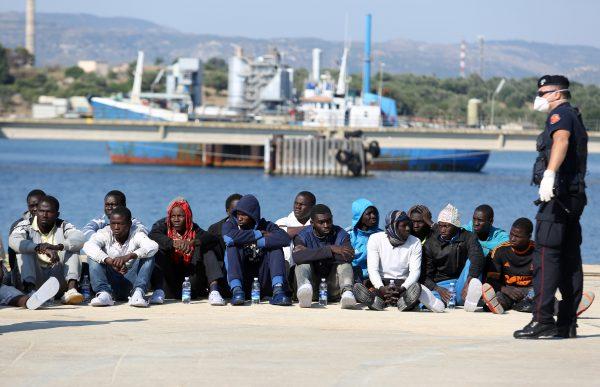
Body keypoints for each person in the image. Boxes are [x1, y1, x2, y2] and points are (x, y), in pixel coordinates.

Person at [515, 75, 589, 339]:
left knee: (545, 258)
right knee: (569, 260)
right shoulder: (574, 115)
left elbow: (561, 141)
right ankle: (567, 322)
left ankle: (543, 319)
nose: (539, 96)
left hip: (557, 201)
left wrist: (549, 174)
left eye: (543, 92)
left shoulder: (561, 116)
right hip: (572, 199)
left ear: (557, 93)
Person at [484, 218, 595, 318]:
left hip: (532, 290)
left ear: (528, 237)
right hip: (508, 289)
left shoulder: (539, 251)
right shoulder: (500, 251)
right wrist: (506, 289)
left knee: (545, 302)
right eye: (511, 234)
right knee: (500, 298)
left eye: (517, 236)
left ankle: (570, 308)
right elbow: (491, 280)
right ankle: (495, 305)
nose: (512, 238)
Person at [353, 210, 445, 312]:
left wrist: (402, 288)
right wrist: (381, 288)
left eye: (409, 225)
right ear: (393, 226)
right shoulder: (375, 239)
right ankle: (376, 300)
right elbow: (372, 269)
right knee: (365, 289)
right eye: (403, 225)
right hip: (381, 285)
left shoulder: (415, 242)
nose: (408, 228)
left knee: (438, 307)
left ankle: (404, 301)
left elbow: (415, 272)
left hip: (404, 285)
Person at [149, 197, 226, 305]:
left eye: (180, 216)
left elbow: (213, 239)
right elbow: (153, 235)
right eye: (173, 216)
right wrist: (173, 243)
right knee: (157, 250)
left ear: (187, 216)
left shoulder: (194, 229)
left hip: (190, 284)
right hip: (168, 286)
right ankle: (158, 291)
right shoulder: (163, 227)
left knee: (207, 250)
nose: (176, 219)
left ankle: (214, 291)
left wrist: (192, 243)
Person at [9, 195, 85, 305]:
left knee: (73, 248)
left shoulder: (63, 225)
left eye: (49, 212)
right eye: (41, 211)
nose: (44, 215)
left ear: (57, 214)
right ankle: (31, 292)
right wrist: (38, 247)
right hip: (36, 278)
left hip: (58, 277)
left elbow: (80, 238)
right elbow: (14, 241)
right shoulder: (25, 225)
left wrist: (57, 247)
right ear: (36, 212)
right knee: (24, 250)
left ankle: (71, 291)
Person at [222, 194, 292, 306]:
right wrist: (258, 234)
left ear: (253, 215)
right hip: (242, 281)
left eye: (244, 215)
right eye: (238, 214)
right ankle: (237, 291)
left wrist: (259, 242)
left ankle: (278, 290)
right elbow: (228, 238)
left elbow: (285, 239)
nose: (239, 218)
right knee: (233, 246)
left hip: (263, 280)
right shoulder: (231, 224)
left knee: (275, 247)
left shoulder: (267, 225)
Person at [83, 206, 158, 307]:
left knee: (149, 255)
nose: (116, 227)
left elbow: (153, 246)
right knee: (92, 256)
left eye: (120, 223)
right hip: (111, 282)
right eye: (113, 223)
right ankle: (104, 294)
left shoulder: (136, 233)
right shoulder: (104, 232)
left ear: (129, 224)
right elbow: (88, 246)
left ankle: (138, 294)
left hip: (131, 282)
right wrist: (109, 261)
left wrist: (129, 256)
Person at [420, 204, 484, 312]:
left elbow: (478, 257)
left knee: (472, 260)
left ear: (456, 226)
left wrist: (468, 282)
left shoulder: (468, 237)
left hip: (462, 282)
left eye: (446, 226)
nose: (442, 230)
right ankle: (437, 303)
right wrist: (438, 289)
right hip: (441, 285)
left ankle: (468, 298)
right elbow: (426, 275)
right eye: (440, 226)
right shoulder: (430, 244)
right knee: (432, 296)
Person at [293, 204, 357, 309]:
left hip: (333, 287)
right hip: (311, 287)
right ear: (312, 223)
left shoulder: (341, 234)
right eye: (321, 222)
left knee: (345, 264)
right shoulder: (303, 236)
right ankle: (305, 292)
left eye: (329, 221)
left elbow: (348, 256)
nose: (326, 225)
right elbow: (297, 257)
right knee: (302, 264)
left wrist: (310, 253)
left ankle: (347, 294)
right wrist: (330, 249)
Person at [7, 189, 46, 288]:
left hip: (48, 270)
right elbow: (12, 255)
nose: (34, 209)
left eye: (37, 205)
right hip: (25, 274)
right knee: (23, 249)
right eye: (31, 206)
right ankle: (29, 289)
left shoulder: (55, 222)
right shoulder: (18, 225)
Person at [82, 190, 146, 240]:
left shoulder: (132, 221)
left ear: (124, 206)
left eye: (113, 205)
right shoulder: (101, 221)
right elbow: (85, 231)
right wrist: (103, 240)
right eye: (107, 205)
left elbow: (143, 231)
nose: (109, 208)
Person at [276, 191, 315, 270]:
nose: (297, 206)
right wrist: (313, 227)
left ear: (312, 208)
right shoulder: (282, 221)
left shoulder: (320, 223)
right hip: (286, 266)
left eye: (302, 204)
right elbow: (281, 234)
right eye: (296, 203)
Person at [348, 199, 382, 282]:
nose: (373, 216)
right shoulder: (349, 236)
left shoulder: (382, 235)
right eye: (369, 214)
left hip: (379, 277)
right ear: (359, 216)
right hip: (356, 277)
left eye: (375, 213)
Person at [208, 193, 242, 257]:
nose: (238, 215)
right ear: (227, 211)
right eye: (235, 211)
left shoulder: (255, 228)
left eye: (242, 210)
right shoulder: (214, 230)